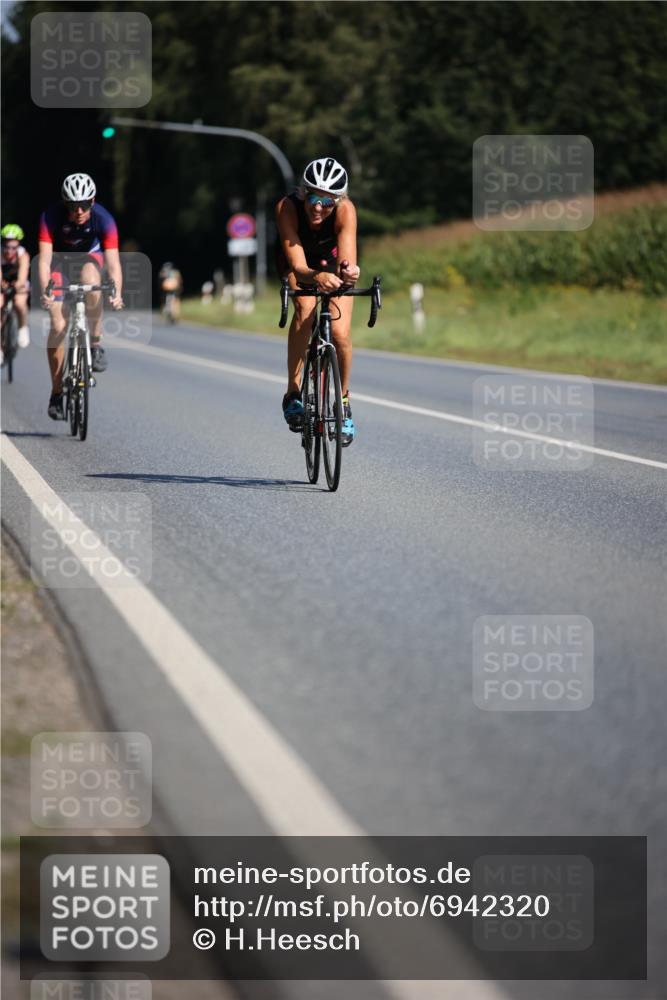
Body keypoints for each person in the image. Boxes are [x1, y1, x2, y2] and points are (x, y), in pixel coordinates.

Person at [275, 157, 361, 445]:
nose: (317, 207)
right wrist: (316, 276)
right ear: (303, 192)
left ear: (338, 201)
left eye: (327, 202)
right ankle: (293, 392)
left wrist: (349, 273)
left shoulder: (346, 211)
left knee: (340, 334)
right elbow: (299, 268)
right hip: (298, 262)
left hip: (331, 260)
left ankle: (343, 401)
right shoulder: (287, 208)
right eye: (312, 197)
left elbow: (348, 260)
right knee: (305, 308)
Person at [38, 173, 123, 420]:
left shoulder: (104, 219)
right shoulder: (50, 217)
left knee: (91, 281)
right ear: (65, 204)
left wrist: (116, 293)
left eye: (84, 205)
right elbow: (44, 261)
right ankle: (56, 394)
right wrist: (46, 291)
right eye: (73, 206)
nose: (79, 211)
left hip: (89, 259)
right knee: (58, 325)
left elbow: (114, 264)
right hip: (59, 264)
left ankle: (95, 343)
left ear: (93, 201)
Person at [1, 224, 31, 362]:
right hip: (3, 282)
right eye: (7, 246)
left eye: (13, 247)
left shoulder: (23, 255)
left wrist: (17, 285)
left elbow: (23, 276)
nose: (9, 250)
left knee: (19, 302)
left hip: (18, 282)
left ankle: (22, 327)